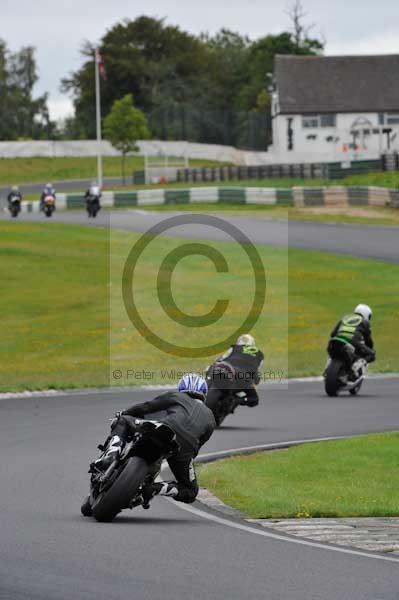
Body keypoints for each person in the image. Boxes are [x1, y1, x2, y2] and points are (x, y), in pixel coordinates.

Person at [95, 373, 216, 507]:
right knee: (190, 491)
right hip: (185, 448)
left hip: (166, 429)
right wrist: (184, 459)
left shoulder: (175, 395)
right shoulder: (211, 417)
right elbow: (198, 445)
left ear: (181, 387)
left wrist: (124, 413)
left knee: (123, 421)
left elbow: (146, 407)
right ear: (204, 393)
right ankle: (154, 489)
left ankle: (111, 454)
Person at [207, 334, 264, 408]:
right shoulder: (260, 354)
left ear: (238, 342)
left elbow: (219, 359)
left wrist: (212, 367)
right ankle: (234, 400)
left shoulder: (234, 348)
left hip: (227, 368)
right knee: (254, 399)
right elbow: (257, 377)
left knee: (211, 371)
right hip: (243, 376)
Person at [327, 304, 375, 372]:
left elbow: (332, 334)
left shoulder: (345, 318)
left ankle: (329, 364)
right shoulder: (365, 322)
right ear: (366, 314)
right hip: (353, 342)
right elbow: (368, 340)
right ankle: (355, 367)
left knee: (332, 349)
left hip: (336, 341)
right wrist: (369, 349)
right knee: (372, 354)